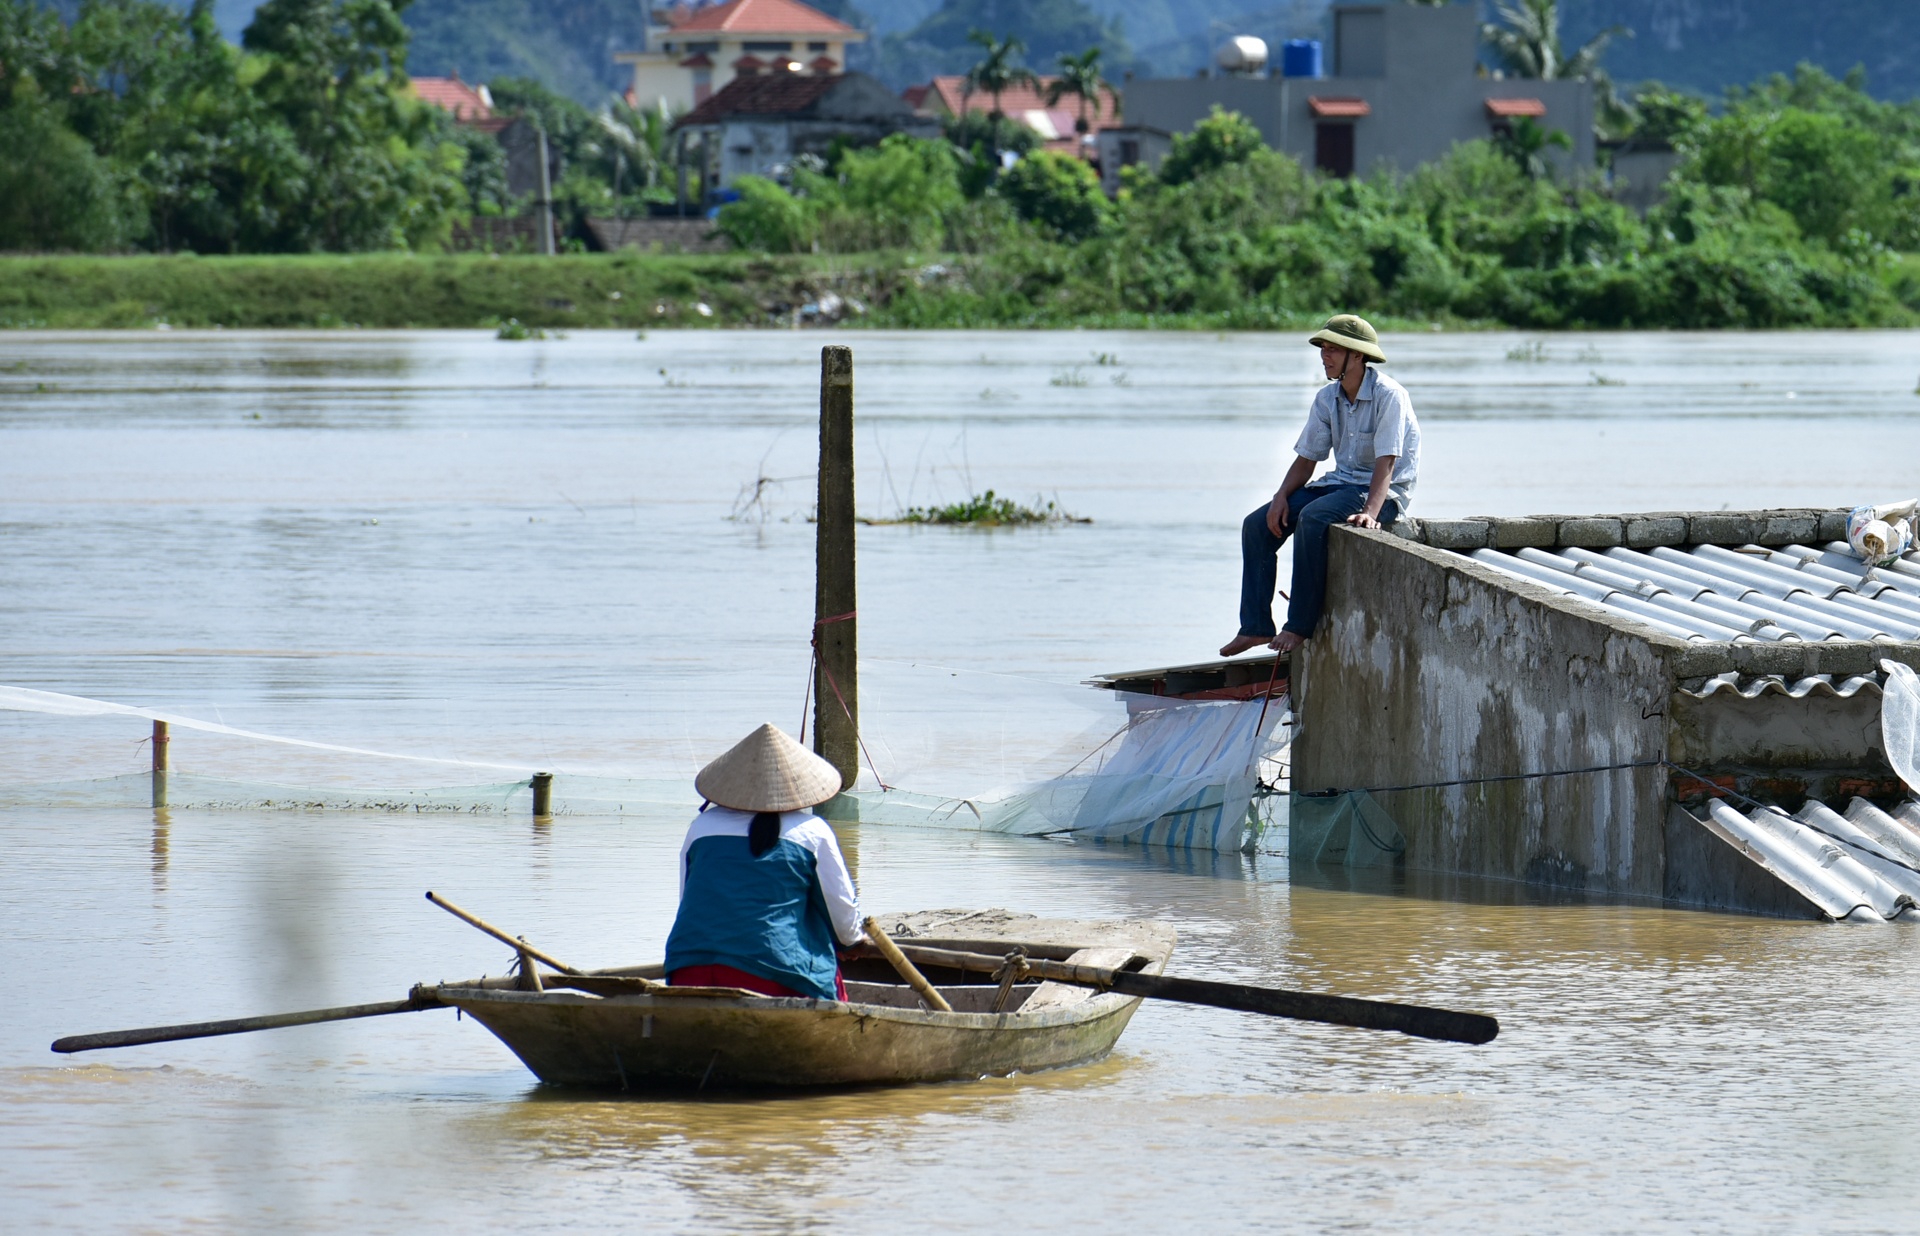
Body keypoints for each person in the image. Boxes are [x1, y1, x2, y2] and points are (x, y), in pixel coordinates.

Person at [1220, 314, 1420, 658]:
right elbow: (1308, 458)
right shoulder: (1328, 398)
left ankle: (1298, 625)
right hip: (1341, 484)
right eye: (1323, 349)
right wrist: (1280, 497)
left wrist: (1371, 513)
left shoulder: (1390, 395)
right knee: (1257, 525)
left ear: (1357, 356)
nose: (1324, 356)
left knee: (1312, 519)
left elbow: (1387, 463)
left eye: (1333, 350)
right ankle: (1254, 626)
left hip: (1383, 494)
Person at [663, 723, 865, 1001]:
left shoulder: (702, 826)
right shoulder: (812, 831)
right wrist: (853, 942)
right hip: (775, 974)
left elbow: (689, 901)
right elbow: (842, 915)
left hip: (688, 967)